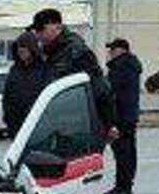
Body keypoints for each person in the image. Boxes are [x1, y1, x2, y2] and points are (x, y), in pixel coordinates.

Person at [31, 8, 117, 141]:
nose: (38, 34)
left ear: (56, 27)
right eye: (36, 31)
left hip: (78, 126)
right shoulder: (50, 53)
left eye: (41, 30)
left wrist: (108, 124)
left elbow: (100, 88)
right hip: (60, 124)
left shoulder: (75, 51)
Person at [103, 38, 144, 194]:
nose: (110, 52)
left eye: (112, 49)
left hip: (121, 117)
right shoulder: (130, 65)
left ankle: (123, 187)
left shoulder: (121, 67)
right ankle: (125, 185)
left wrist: (112, 120)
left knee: (123, 154)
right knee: (128, 152)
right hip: (129, 115)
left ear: (121, 50)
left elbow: (114, 94)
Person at [2, 30, 48, 136]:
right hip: (16, 127)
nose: (20, 51)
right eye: (18, 48)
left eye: (24, 48)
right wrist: (8, 120)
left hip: (37, 125)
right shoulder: (14, 70)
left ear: (32, 49)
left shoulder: (43, 69)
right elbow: (7, 96)